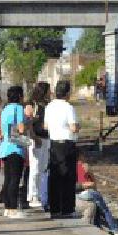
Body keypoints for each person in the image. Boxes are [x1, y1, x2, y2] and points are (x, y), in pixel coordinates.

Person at [45, 80, 80, 219]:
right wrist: (78, 127)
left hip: (53, 144)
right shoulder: (68, 107)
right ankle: (67, 209)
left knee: (54, 176)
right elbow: (73, 127)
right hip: (66, 144)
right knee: (68, 177)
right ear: (67, 93)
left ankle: (54, 208)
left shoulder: (49, 106)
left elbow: (46, 126)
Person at [0, 86, 28, 218]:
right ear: (20, 96)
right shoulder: (19, 108)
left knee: (8, 178)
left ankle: (7, 207)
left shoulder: (4, 109)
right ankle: (13, 208)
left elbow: (1, 130)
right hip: (16, 147)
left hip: (4, 147)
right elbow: (21, 129)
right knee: (15, 179)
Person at [76, 158, 118, 235]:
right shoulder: (84, 166)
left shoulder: (73, 168)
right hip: (90, 191)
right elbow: (91, 182)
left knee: (96, 208)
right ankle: (115, 229)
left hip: (81, 195)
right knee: (105, 210)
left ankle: (97, 226)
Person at [25, 82, 52, 211]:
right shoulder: (32, 105)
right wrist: (33, 137)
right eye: (48, 90)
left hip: (46, 138)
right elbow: (28, 122)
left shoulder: (47, 105)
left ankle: (42, 195)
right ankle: (33, 195)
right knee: (35, 168)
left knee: (43, 168)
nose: (50, 92)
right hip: (37, 139)